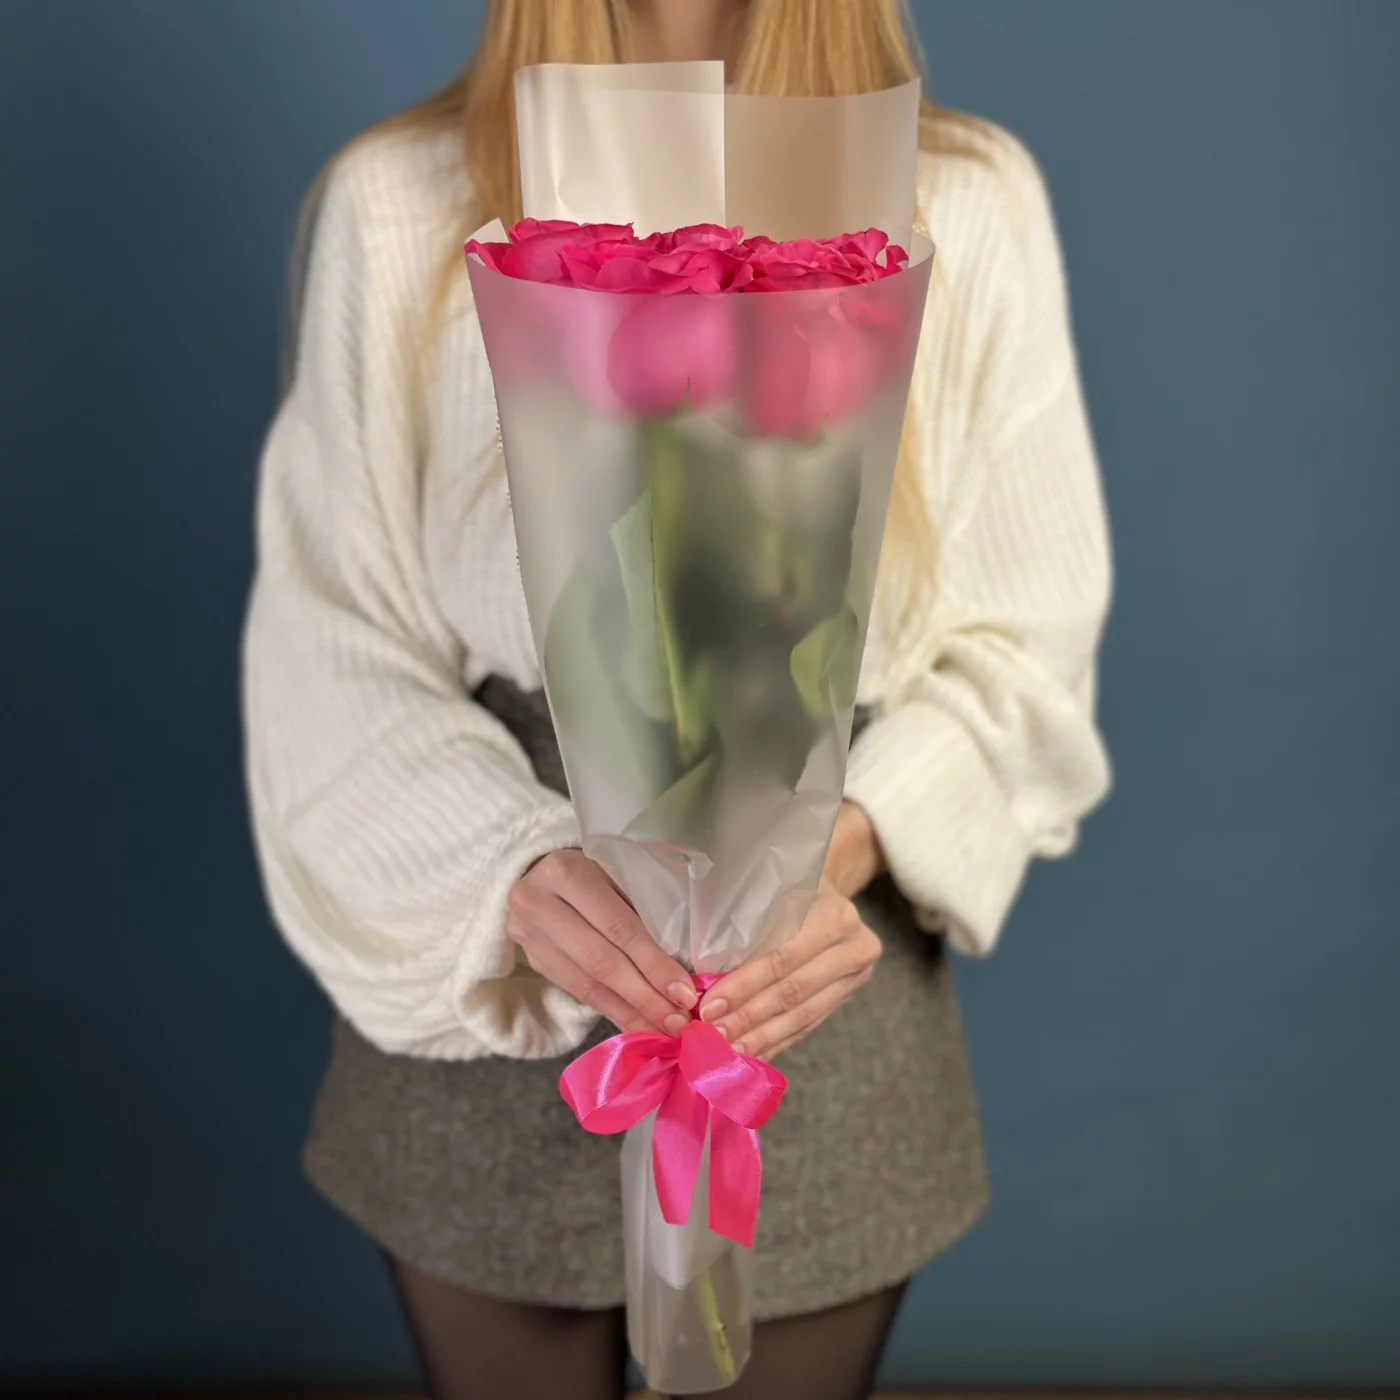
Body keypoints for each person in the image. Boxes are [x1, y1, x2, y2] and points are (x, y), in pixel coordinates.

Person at [242, 0, 1112, 1396]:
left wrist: (832, 843)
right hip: (492, 995)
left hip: (809, 999)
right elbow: (331, 644)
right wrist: (514, 871)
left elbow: (1027, 642)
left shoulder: (964, 200)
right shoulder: (395, 204)